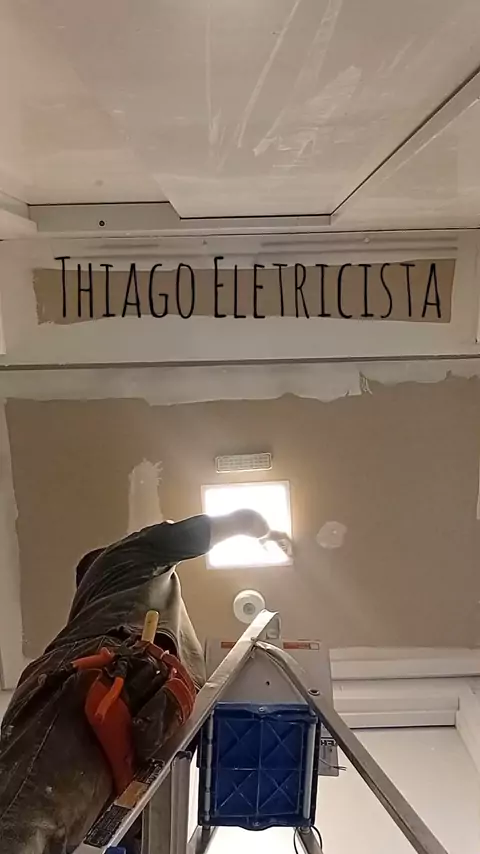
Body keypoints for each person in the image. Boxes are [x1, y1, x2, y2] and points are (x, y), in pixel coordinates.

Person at [0, 509, 291, 854]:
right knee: (27, 818)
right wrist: (257, 527)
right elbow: (186, 535)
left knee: (58, 833)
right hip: (98, 677)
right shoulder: (124, 557)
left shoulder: (161, 625)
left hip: (128, 708)